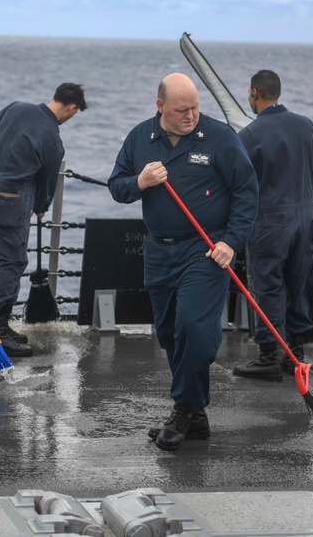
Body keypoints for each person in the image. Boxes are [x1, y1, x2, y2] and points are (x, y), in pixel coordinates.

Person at [109, 73, 257, 451]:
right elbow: (117, 187)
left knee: (194, 326)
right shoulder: (140, 137)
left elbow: (247, 191)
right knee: (169, 331)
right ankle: (197, 418)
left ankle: (181, 411)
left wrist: (231, 241)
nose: (190, 115)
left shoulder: (221, 137)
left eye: (195, 107)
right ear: (160, 107)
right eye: (181, 110)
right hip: (159, 250)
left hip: (205, 250)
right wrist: (140, 181)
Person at [0, 82, 87, 357]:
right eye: (74, 113)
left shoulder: (15, 108)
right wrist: (41, 206)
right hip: (9, 200)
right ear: (71, 108)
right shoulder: (53, 141)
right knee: (13, 261)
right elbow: (47, 184)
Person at [232, 70, 313, 381]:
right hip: (306, 216)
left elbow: (241, 184)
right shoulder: (306, 125)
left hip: (270, 220)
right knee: (300, 284)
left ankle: (268, 355)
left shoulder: (250, 135)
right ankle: (296, 354)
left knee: (267, 285)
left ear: (254, 93)